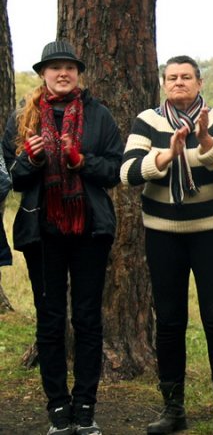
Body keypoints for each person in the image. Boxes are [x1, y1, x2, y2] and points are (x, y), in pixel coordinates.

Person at [1, 41, 123, 435]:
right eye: (54, 67)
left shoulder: (99, 115)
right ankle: (57, 407)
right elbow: (15, 178)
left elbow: (115, 170)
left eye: (68, 67)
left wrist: (80, 161)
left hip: (90, 231)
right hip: (43, 233)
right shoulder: (23, 116)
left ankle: (85, 406)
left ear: (78, 72)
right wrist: (33, 160)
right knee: (51, 322)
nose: (62, 73)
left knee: (87, 320)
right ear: (42, 74)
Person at [120, 55, 213, 435]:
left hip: (212, 231)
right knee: (170, 322)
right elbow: (127, 172)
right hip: (163, 233)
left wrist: (204, 140)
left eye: (186, 77)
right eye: (171, 77)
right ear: (163, 83)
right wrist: (167, 154)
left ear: (199, 82)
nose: (178, 83)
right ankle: (173, 407)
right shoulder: (148, 121)